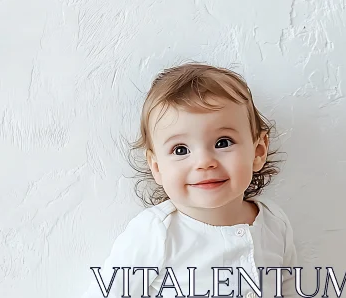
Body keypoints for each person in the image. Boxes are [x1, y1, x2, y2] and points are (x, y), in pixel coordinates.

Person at [81, 63, 297, 298]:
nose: (204, 162)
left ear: (258, 151)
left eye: (223, 142)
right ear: (157, 167)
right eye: (181, 150)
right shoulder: (155, 233)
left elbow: (289, 289)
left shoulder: (275, 224)